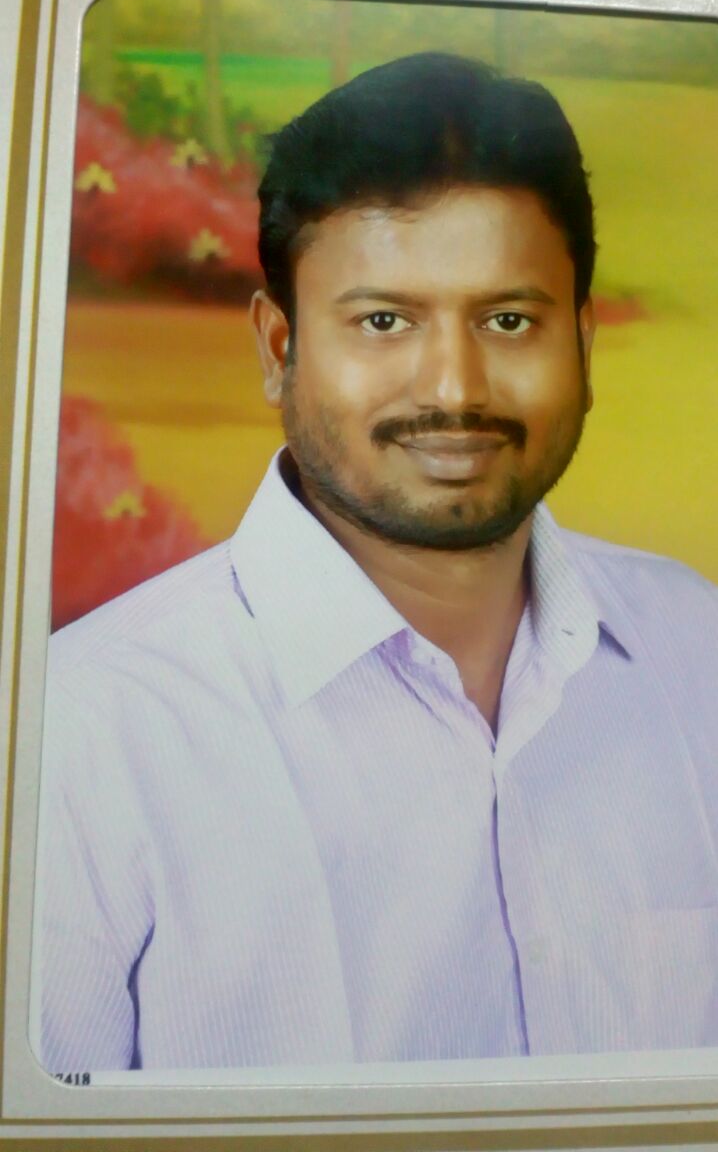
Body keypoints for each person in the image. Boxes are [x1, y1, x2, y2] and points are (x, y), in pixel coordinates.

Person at [34, 53, 718, 1074]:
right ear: (278, 348)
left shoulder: (697, 652)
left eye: (509, 320)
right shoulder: (82, 737)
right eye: (384, 321)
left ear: (582, 343)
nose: (453, 387)